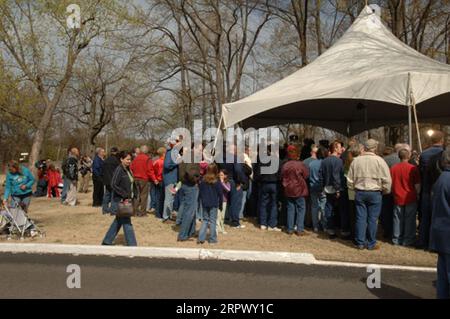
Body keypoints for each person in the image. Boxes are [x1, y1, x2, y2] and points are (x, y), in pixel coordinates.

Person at [347, 139, 392, 250]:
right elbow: (387, 179)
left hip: (360, 192)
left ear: (365, 148)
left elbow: (349, 179)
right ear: (375, 148)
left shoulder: (356, 161)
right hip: (375, 193)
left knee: (360, 218)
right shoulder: (380, 161)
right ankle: (371, 243)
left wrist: (353, 188)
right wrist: (386, 190)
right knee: (372, 219)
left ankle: (360, 242)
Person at [102, 151, 138, 246]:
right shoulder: (119, 169)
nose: (129, 161)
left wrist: (135, 194)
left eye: (130, 159)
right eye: (127, 159)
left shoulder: (128, 169)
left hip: (127, 200)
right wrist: (124, 194)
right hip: (120, 201)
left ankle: (107, 241)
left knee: (118, 221)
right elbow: (113, 184)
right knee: (127, 222)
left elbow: (131, 183)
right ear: (121, 159)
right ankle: (132, 245)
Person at [418, 130, 445, 250]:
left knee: (425, 217)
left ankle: (423, 241)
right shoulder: (444, 154)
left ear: (431, 140)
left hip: (426, 188)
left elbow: (421, 171)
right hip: (439, 188)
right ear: (442, 140)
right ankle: (434, 242)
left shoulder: (424, 154)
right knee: (439, 216)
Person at [430, 147, 450, 299]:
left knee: (443, 276)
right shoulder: (446, 178)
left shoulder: (441, 178)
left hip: (441, 231)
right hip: (446, 231)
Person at [390, 149, 420, 247]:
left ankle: (396, 239)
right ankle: (408, 240)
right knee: (410, 219)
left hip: (397, 196)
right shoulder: (413, 168)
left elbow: (390, 183)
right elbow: (417, 185)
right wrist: (418, 194)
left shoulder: (393, 168)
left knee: (397, 219)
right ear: (409, 156)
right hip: (410, 197)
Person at [319, 140, 345, 239]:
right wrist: (338, 189)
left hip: (327, 187)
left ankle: (330, 229)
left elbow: (321, 175)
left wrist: (322, 187)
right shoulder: (338, 161)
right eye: (339, 147)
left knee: (329, 208)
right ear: (335, 148)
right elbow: (336, 176)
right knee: (341, 209)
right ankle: (342, 230)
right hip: (336, 188)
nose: (341, 148)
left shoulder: (324, 160)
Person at [281, 145, 309, 236]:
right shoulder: (300, 164)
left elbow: (282, 176)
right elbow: (306, 175)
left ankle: (290, 229)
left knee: (290, 208)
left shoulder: (285, 165)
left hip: (288, 189)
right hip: (299, 189)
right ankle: (299, 229)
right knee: (301, 208)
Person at [255, 144, 280, 231]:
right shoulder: (277, 160)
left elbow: (258, 173)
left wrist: (259, 181)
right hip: (274, 183)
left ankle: (263, 223)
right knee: (273, 204)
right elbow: (280, 173)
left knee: (263, 203)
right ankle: (271, 224)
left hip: (264, 183)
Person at [177, 149, 201, 242]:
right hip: (190, 185)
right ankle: (183, 235)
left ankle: (190, 232)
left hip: (184, 184)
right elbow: (189, 171)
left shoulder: (186, 156)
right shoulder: (192, 156)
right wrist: (195, 180)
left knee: (191, 210)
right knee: (189, 211)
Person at [198, 164, 223, 244]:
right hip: (213, 203)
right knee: (212, 221)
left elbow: (200, 192)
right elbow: (220, 194)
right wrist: (221, 205)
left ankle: (201, 239)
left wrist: (201, 201)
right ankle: (212, 240)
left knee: (205, 220)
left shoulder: (202, 181)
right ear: (216, 171)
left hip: (205, 203)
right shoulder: (217, 181)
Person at [130, 145, 157, 217]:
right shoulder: (148, 159)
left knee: (136, 195)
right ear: (146, 151)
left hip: (135, 178)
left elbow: (131, 167)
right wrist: (154, 179)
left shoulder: (135, 158)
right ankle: (143, 212)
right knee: (144, 196)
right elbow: (150, 170)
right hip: (144, 179)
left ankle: (134, 212)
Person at [308, 146, 328, 232]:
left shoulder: (311, 164)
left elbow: (308, 176)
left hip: (313, 187)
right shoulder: (325, 164)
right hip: (323, 188)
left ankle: (315, 226)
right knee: (323, 207)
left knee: (314, 207)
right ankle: (324, 226)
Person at [162, 138, 180, 222]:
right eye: (177, 142)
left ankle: (169, 216)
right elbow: (166, 165)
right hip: (170, 179)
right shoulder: (170, 153)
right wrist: (177, 162)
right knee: (169, 198)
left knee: (171, 198)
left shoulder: (174, 152)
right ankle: (166, 217)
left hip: (173, 179)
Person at [102, 147, 121, 215]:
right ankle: (113, 210)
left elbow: (103, 170)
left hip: (106, 180)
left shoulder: (106, 160)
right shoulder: (116, 161)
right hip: (113, 180)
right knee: (114, 196)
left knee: (107, 195)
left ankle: (105, 209)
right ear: (116, 152)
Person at [151, 147, 166, 219]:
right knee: (161, 198)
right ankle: (159, 214)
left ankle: (158, 213)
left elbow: (152, 171)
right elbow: (160, 172)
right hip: (161, 180)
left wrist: (154, 179)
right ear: (163, 153)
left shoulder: (156, 161)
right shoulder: (162, 162)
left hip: (157, 180)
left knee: (158, 197)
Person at [217, 169, 230, 235]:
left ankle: (222, 228)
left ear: (225, 176)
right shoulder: (217, 182)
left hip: (224, 201)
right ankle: (218, 229)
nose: (220, 176)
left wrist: (222, 183)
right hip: (217, 201)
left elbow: (228, 190)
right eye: (219, 175)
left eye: (222, 175)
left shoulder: (227, 183)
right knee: (217, 216)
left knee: (222, 216)